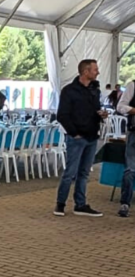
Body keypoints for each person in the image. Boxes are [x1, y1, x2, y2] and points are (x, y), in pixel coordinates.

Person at [54, 59, 107, 217]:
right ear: (85, 72)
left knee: (84, 173)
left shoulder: (94, 90)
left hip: (92, 135)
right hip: (77, 137)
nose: (97, 72)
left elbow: (95, 109)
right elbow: (62, 115)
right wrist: (73, 133)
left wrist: (101, 114)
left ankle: (80, 204)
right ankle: (60, 203)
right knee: (70, 172)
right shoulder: (69, 91)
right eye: (95, 69)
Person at [117, 80, 135, 217]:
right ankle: (125, 203)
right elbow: (121, 106)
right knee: (130, 169)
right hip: (134, 133)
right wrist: (133, 110)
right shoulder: (132, 85)